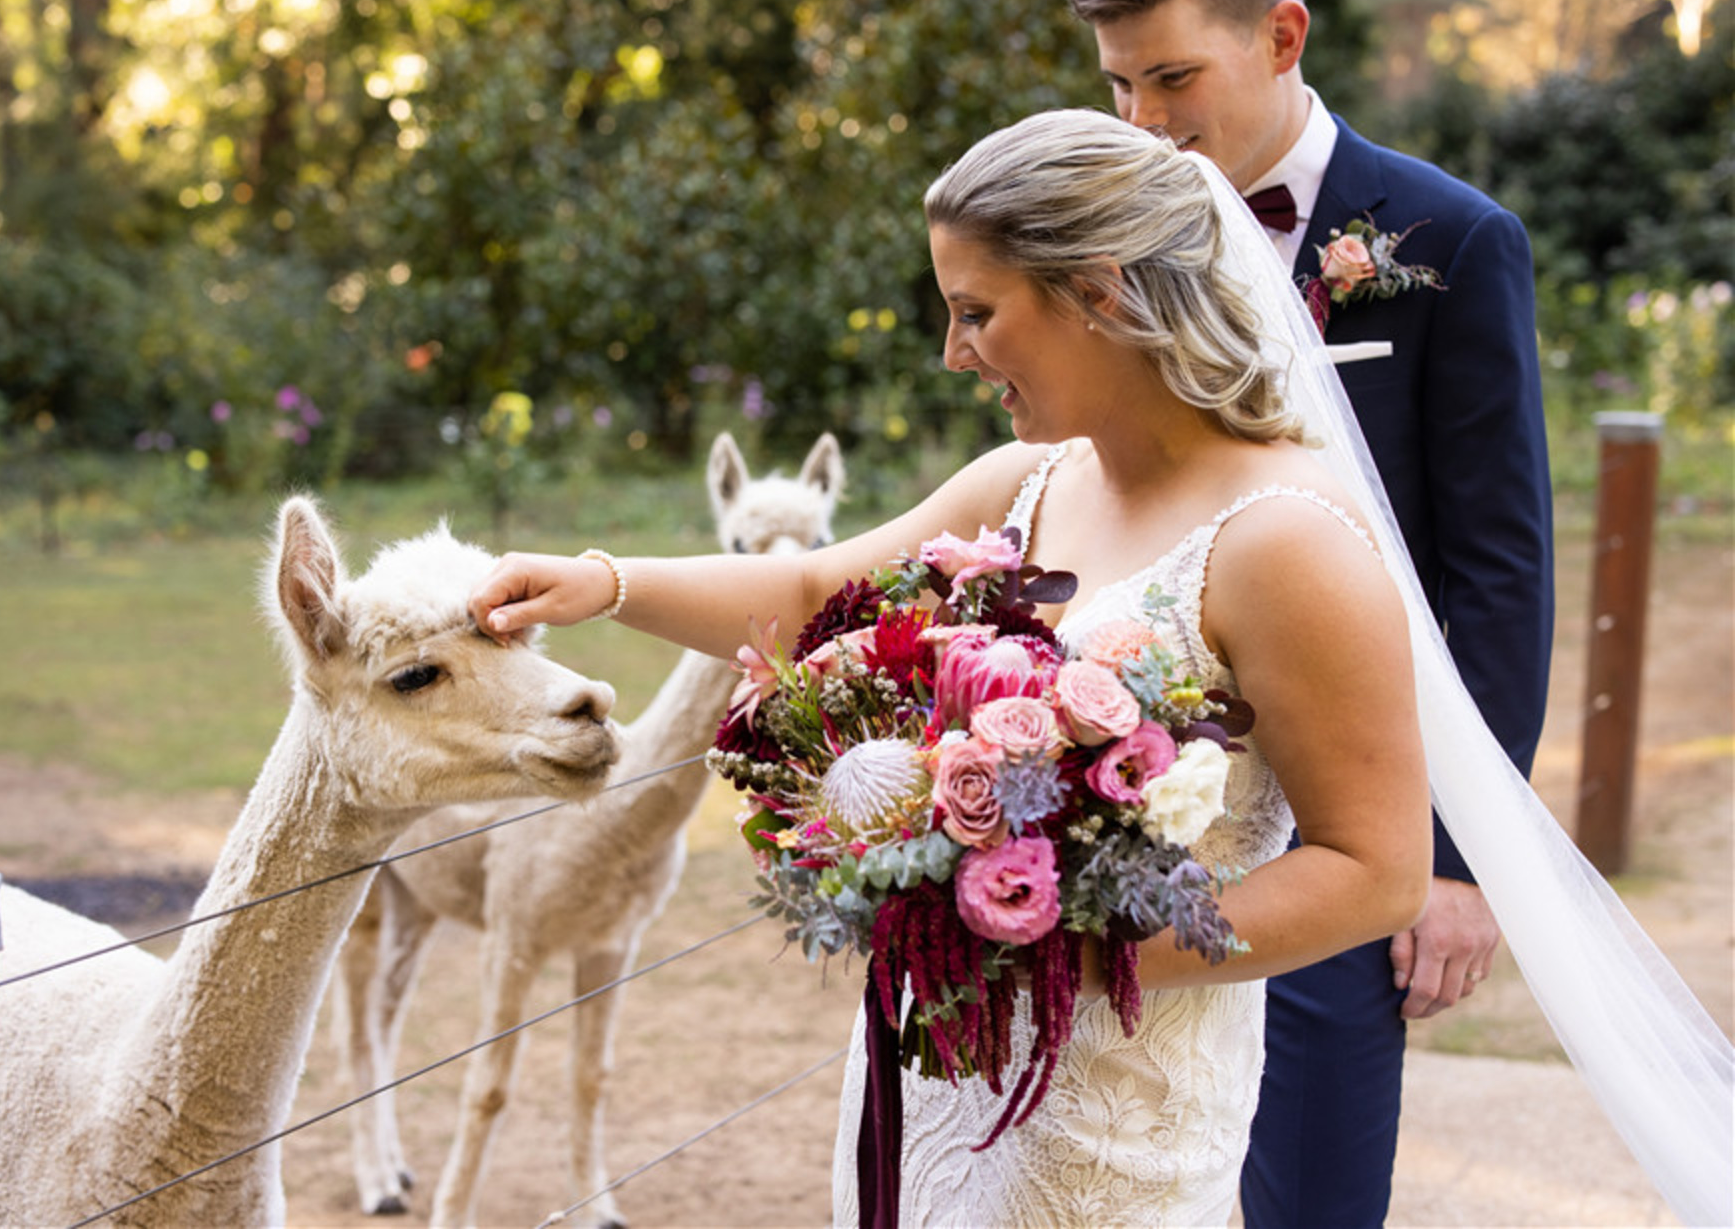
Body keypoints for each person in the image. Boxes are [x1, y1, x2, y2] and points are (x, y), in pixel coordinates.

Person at [477, 108, 1434, 1225]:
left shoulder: (1287, 543)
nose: (951, 352)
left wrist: (1071, 957)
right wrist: (604, 583)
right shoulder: (1022, 485)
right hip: (925, 1079)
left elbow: (1376, 869)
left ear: (1097, 291)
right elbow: (808, 600)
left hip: (1111, 1127)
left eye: (975, 312)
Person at [1061, 0, 1555, 1223]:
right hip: (1148, 802)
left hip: (1350, 812)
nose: (1144, 121)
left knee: (1314, 1196)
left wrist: (1460, 867)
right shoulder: (1110, 250)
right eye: (1118, 85)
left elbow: (1498, 569)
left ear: (1283, 37)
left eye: (1172, 78)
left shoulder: (1449, 247)